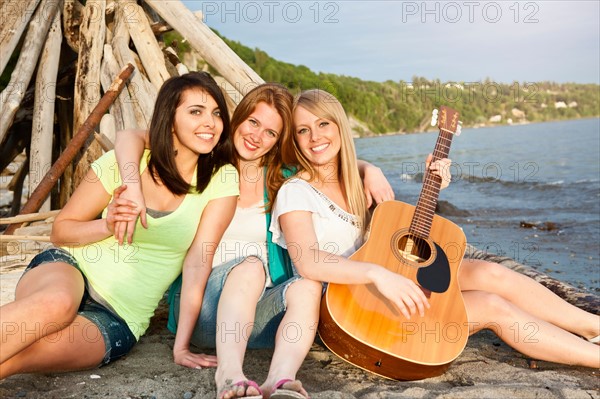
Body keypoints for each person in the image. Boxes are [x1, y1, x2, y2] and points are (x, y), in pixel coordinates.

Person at [267, 89, 600, 395]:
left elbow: (394, 236)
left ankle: (592, 326)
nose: (315, 137)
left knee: (489, 273)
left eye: (323, 124)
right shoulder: (296, 191)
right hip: (351, 313)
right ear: (294, 139)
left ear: (340, 126)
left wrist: (429, 182)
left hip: (387, 288)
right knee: (491, 305)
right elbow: (308, 261)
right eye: (303, 130)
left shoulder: (358, 183)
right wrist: (377, 275)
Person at [112, 83, 393, 399]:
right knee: (251, 267)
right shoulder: (206, 163)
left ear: (278, 141)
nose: (258, 136)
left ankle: (280, 380)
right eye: (253, 122)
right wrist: (132, 187)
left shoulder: (283, 179)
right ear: (239, 118)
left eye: (271, 133)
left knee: (307, 284)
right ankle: (229, 376)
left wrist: (370, 168)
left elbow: (328, 164)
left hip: (260, 316)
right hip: (208, 314)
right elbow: (128, 137)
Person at [0, 72, 239, 379]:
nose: (210, 122)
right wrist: (107, 226)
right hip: (70, 269)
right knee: (55, 303)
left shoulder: (221, 179)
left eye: (217, 113)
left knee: (22, 355)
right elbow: (62, 231)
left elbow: (198, 262)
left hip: (118, 316)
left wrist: (181, 347)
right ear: (169, 120)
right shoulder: (125, 163)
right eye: (196, 112)